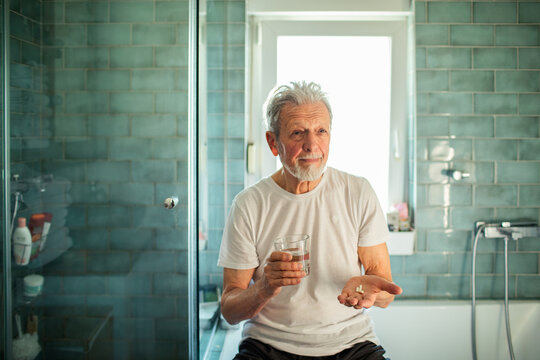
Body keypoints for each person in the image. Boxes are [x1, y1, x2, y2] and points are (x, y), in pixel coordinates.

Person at [218, 81, 402, 359]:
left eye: (321, 131)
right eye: (297, 133)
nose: (311, 145)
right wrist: (265, 288)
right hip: (268, 347)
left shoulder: (358, 191)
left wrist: (365, 289)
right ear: (272, 142)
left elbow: (386, 293)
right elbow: (230, 311)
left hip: (352, 345)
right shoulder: (249, 204)